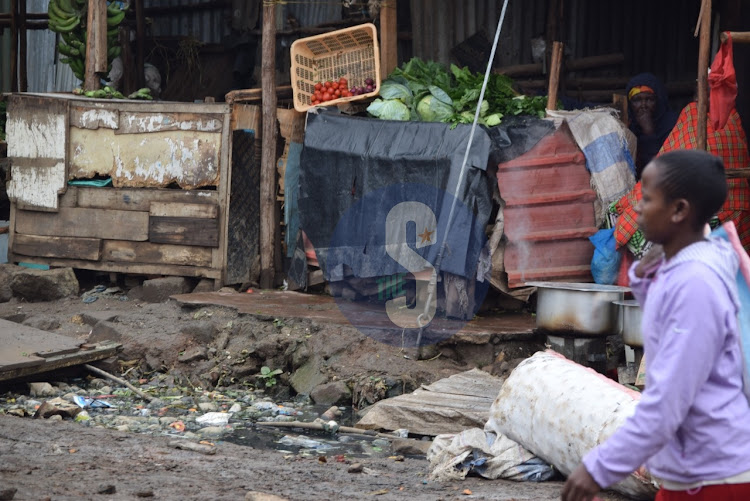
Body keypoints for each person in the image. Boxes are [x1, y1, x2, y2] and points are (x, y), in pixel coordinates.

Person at [562, 150, 750, 501]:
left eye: (647, 199)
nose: (636, 208)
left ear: (679, 210)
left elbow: (668, 401)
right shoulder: (689, 266)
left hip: (715, 478)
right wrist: (649, 272)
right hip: (693, 474)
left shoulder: (695, 284)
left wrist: (599, 467)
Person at [626, 73, 679, 178]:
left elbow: (664, 169)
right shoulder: (627, 126)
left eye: (649, 99)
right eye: (637, 100)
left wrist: (649, 132)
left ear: (659, 101)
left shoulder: (673, 125)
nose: (643, 106)